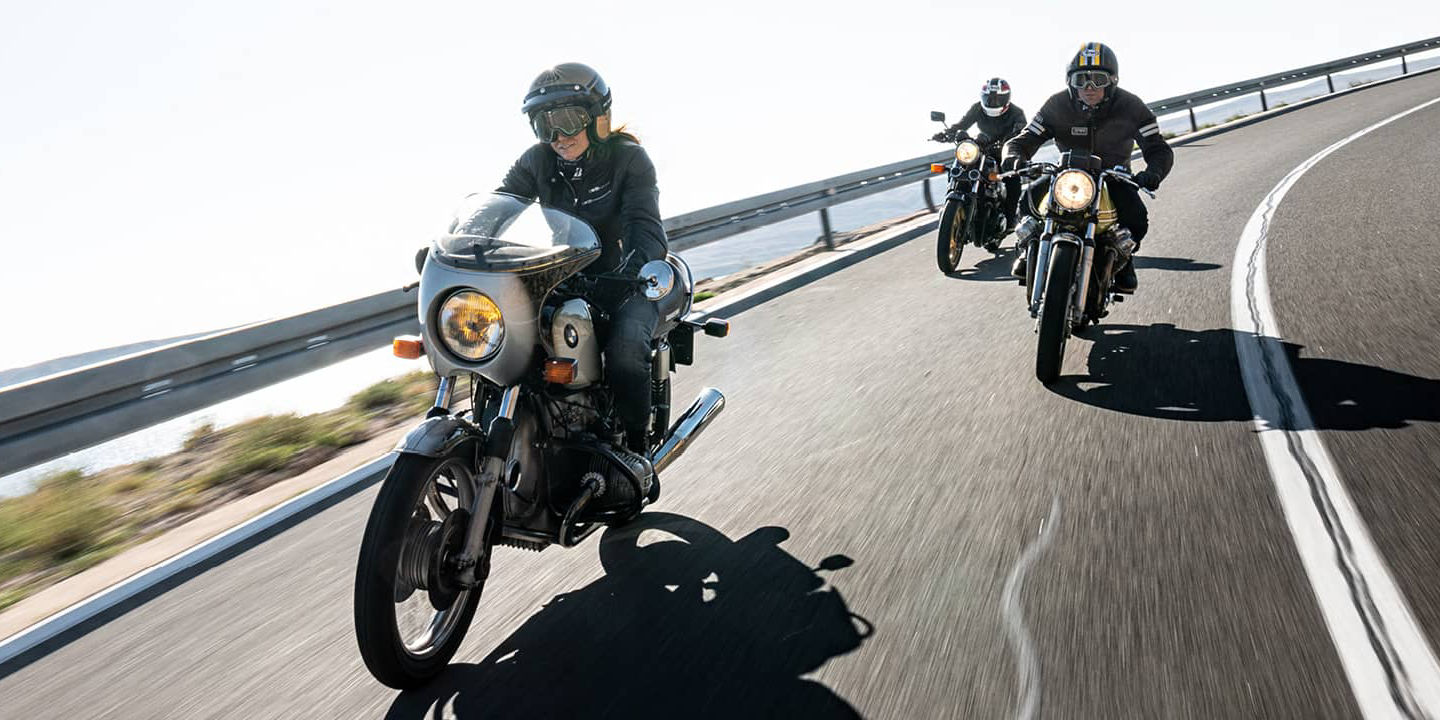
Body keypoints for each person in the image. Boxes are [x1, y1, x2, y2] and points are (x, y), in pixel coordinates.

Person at [496, 63, 666, 453]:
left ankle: (637, 450)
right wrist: (463, 246)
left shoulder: (629, 159)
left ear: (597, 118)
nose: (558, 136)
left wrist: (633, 271)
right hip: (564, 280)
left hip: (623, 280)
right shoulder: (536, 161)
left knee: (624, 352)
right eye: (545, 125)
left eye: (569, 120)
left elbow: (646, 228)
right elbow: (499, 208)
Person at [1002, 42, 1174, 292]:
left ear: (1112, 81)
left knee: (1136, 218)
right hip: (1066, 176)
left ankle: (1122, 260)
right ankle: (1029, 249)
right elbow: (1025, 139)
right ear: (1070, 81)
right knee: (1027, 200)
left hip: (1113, 178)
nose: (1089, 87)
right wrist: (1016, 157)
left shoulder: (1131, 106)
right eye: (1081, 79)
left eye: (1098, 80)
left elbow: (1158, 148)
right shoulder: (1056, 105)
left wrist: (1153, 173)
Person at [932, 77, 1027, 231]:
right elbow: (962, 124)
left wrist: (1011, 139)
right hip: (981, 148)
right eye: (989, 98)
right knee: (960, 166)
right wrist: (946, 133)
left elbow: (1021, 130)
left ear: (1006, 98)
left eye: (997, 98)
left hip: (1004, 152)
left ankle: (1010, 219)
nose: (993, 101)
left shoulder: (1016, 113)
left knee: (1012, 178)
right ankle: (957, 201)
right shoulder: (977, 108)